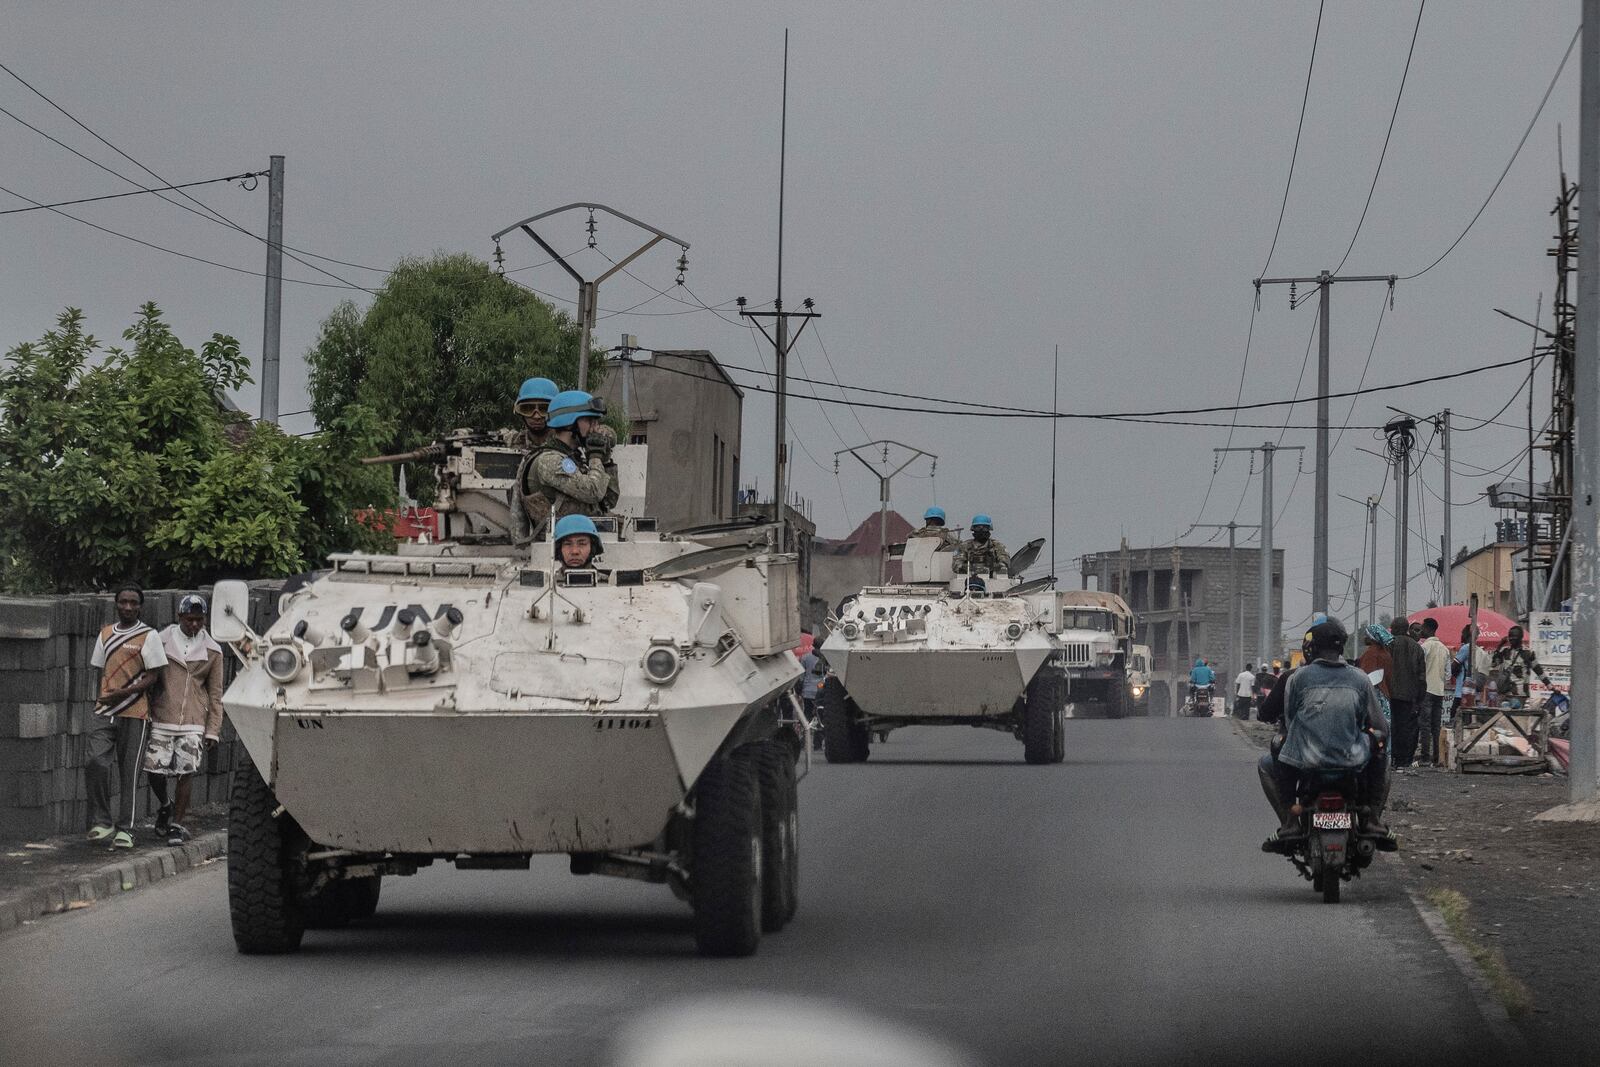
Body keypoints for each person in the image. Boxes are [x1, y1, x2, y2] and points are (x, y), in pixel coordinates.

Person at [1257, 620, 1393, 851]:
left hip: (1306, 758)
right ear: (1342, 649)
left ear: (1313, 649)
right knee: (1383, 756)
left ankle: (1290, 822)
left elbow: (1290, 720)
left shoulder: (1296, 678)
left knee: (1269, 760)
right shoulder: (1360, 678)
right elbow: (1381, 725)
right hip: (1353, 757)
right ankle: (1371, 819)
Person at [86, 585, 169, 849]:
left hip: (135, 712)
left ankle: (126, 829)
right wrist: (105, 697)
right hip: (105, 711)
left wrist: (124, 693)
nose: (128, 607)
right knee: (95, 761)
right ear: (116, 604)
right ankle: (102, 821)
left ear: (140, 606)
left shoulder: (148, 635)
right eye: (123, 602)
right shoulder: (106, 634)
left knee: (128, 772)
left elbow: (155, 676)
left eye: (134, 603)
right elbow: (100, 670)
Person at [145, 594, 224, 846]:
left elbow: (215, 693)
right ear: (179, 617)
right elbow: (148, 677)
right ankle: (165, 805)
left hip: (193, 720)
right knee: (154, 769)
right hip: (162, 716)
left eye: (199, 620)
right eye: (190, 619)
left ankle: (177, 825)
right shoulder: (161, 640)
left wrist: (213, 729)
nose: (194, 625)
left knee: (185, 772)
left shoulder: (212, 650)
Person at [517, 390, 616, 542]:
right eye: (590, 421)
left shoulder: (573, 458)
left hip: (581, 541)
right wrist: (595, 456)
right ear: (570, 422)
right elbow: (593, 492)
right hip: (559, 548)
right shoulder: (550, 460)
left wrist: (605, 459)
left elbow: (609, 501)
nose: (596, 428)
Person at [510, 377, 560, 546]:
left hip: (560, 531)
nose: (536, 416)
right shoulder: (514, 442)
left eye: (544, 409)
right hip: (523, 533)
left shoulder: (565, 444)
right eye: (529, 409)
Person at [1386, 617, 1426, 769]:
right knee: (1408, 728)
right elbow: (1422, 676)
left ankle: (1394, 758)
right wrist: (1420, 698)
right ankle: (1405, 760)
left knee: (1393, 727)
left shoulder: (1389, 645)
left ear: (1394, 629)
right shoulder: (1417, 648)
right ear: (1407, 629)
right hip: (1410, 695)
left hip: (1390, 694)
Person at [1489, 625, 1549, 710]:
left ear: (1520, 638)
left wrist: (1550, 686)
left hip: (1520, 694)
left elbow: (1539, 671)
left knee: (1515, 716)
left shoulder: (1528, 653)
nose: (1512, 639)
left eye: (1514, 637)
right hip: (1505, 692)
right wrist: (1499, 646)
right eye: (1510, 637)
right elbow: (1493, 664)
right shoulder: (1505, 651)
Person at [1418, 617, 1450, 767]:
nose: (1421, 630)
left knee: (1425, 725)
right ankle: (1437, 757)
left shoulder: (1425, 647)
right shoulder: (1444, 649)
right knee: (1436, 726)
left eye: (1423, 627)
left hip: (1427, 690)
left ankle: (1425, 757)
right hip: (1440, 690)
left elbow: (1419, 668)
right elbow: (1448, 674)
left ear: (1429, 629)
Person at [1357, 623, 1394, 724]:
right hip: (1385, 696)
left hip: (1374, 696)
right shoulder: (1385, 653)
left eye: (1366, 635)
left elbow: (1365, 676)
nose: (1364, 637)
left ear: (1372, 638)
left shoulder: (1371, 654)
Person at [799, 641, 826, 751]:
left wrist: (799, 690)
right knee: (821, 717)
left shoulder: (805, 658)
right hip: (822, 691)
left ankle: (804, 740)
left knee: (807, 716)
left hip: (808, 691)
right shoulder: (827, 657)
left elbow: (801, 675)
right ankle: (818, 743)